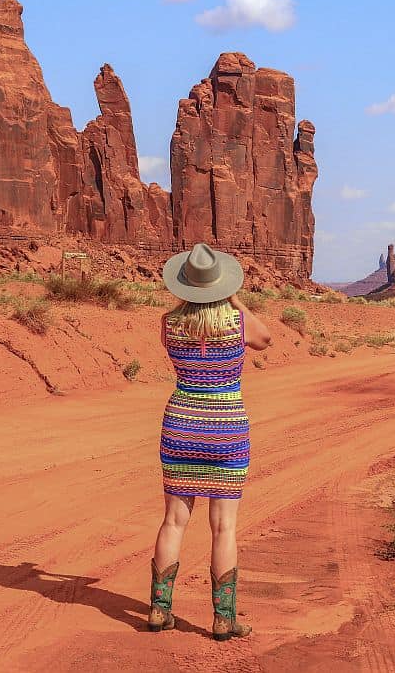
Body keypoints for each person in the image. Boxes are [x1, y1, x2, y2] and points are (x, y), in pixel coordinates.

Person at [148, 243, 271, 640]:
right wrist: (234, 300)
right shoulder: (237, 323)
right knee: (224, 528)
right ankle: (223, 618)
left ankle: (159, 610)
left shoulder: (169, 323)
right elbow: (265, 339)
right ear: (221, 285)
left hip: (181, 424)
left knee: (173, 521)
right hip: (226, 429)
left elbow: (182, 345)